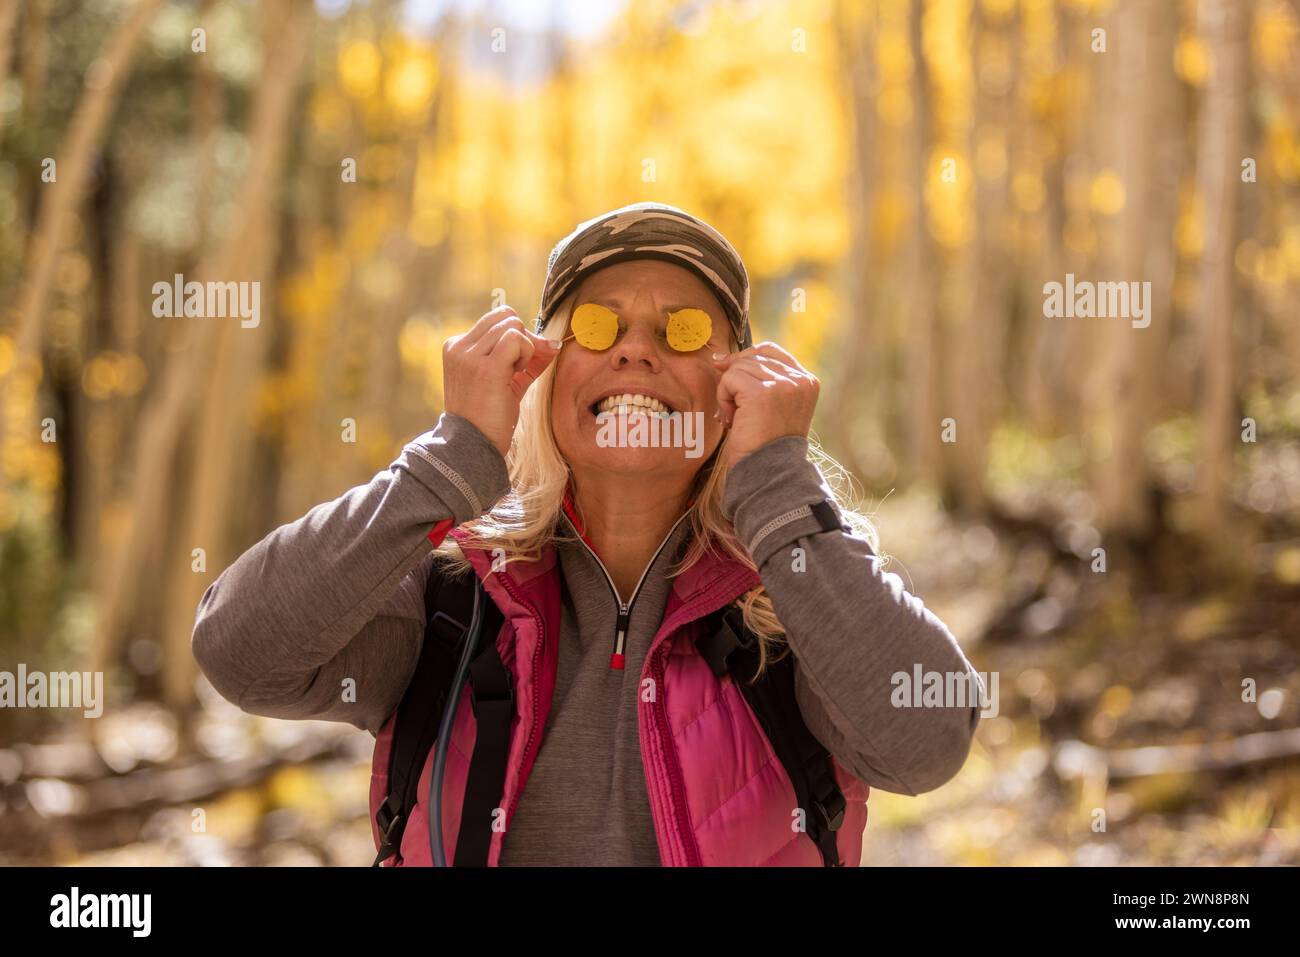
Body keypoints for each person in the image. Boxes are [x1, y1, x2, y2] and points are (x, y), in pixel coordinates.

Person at [192, 201, 984, 866]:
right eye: (598, 326)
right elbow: (239, 653)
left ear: (736, 388)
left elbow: (929, 740)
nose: (636, 348)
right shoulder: (451, 602)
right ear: (540, 371)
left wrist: (776, 484)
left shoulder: (800, 596)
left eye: (682, 333)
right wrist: (448, 463)